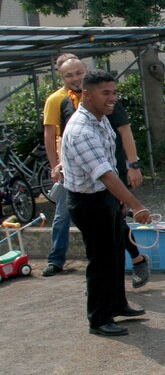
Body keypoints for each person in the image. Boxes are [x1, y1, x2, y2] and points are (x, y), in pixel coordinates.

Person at [60, 70, 152, 337]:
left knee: (114, 255)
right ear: (87, 94)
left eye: (114, 92)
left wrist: (121, 202)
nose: (112, 98)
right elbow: (106, 174)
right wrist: (137, 206)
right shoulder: (80, 130)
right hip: (88, 203)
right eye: (105, 93)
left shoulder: (101, 120)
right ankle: (98, 319)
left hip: (105, 198)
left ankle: (117, 305)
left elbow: (112, 166)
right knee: (100, 261)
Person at [41, 53, 86, 277]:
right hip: (68, 163)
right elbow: (50, 135)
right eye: (69, 74)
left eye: (78, 72)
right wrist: (54, 164)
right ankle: (56, 259)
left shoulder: (92, 93)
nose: (75, 78)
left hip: (92, 160)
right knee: (62, 214)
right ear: (61, 75)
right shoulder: (56, 99)